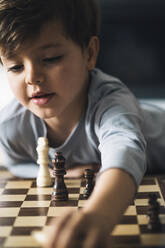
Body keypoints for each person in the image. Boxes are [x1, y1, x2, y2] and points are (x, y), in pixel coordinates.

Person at [0, 0, 165, 247]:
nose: (32, 77)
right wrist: (63, 173)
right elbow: (14, 162)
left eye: (50, 58)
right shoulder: (12, 126)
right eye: (15, 66)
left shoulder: (111, 104)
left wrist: (99, 214)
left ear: (89, 54)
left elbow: (125, 151)